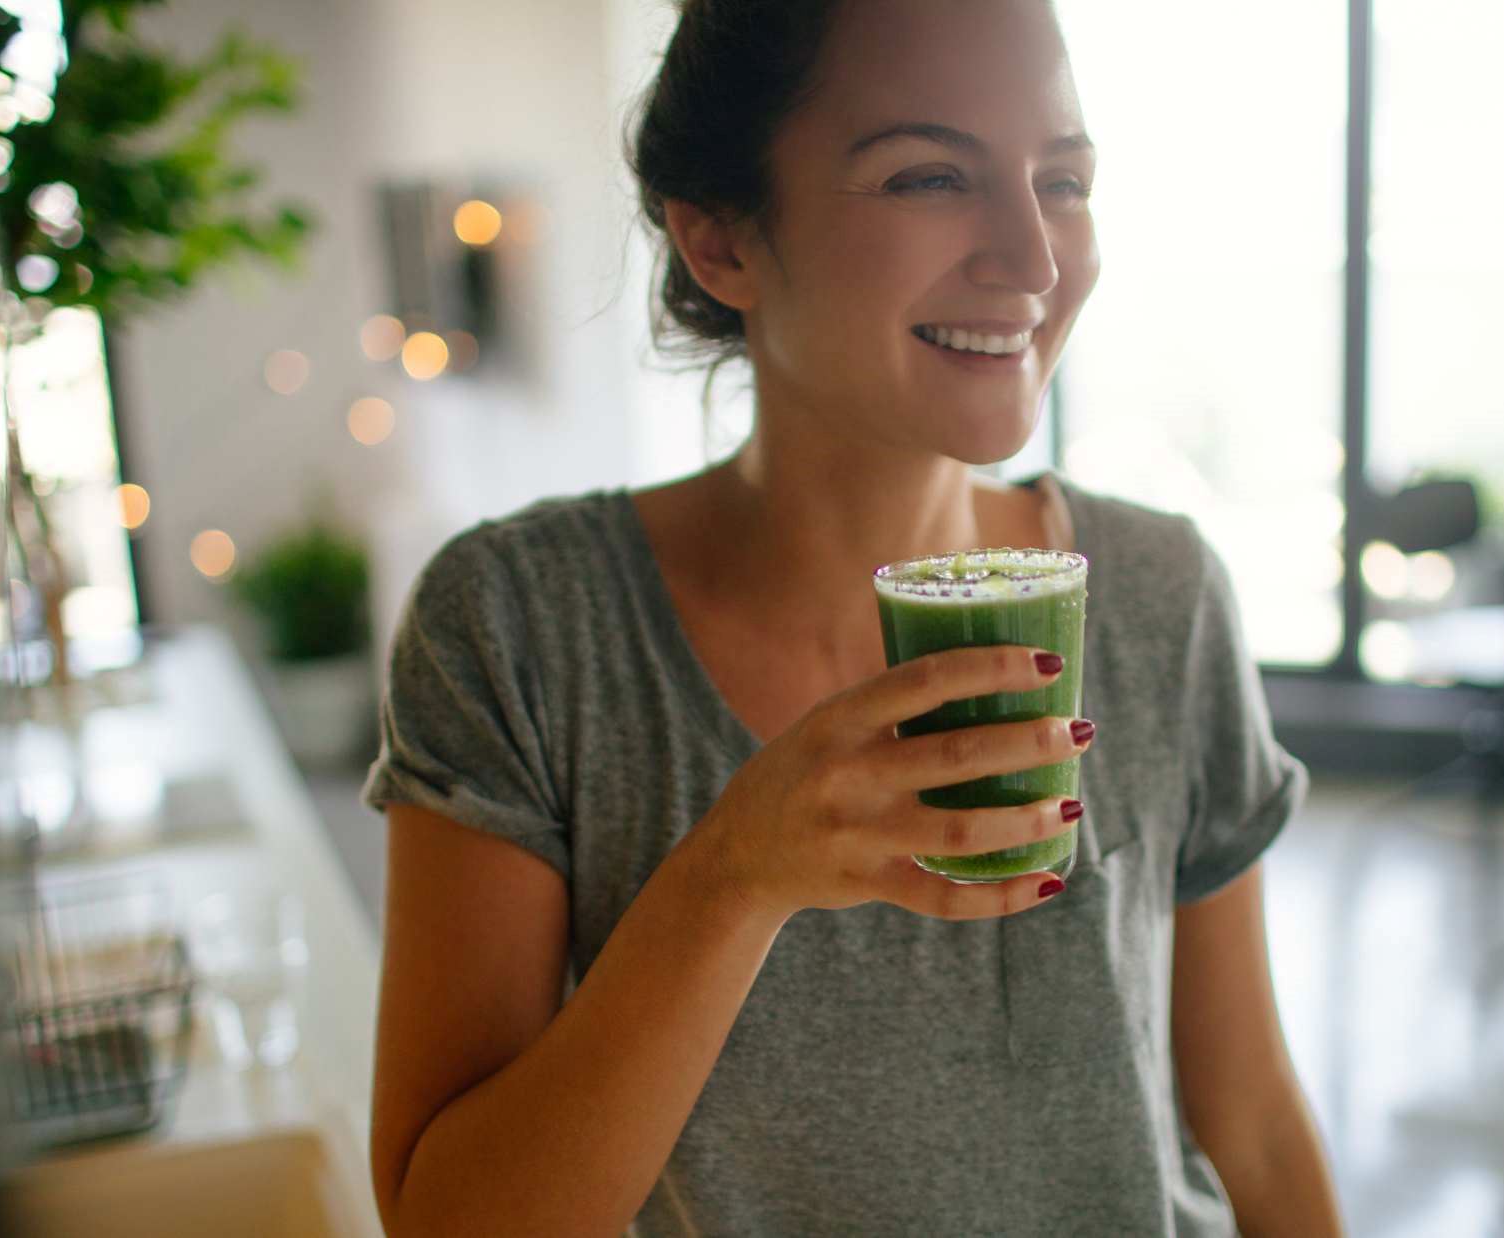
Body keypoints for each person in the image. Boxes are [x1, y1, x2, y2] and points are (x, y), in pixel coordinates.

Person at [361, 0, 1343, 1233]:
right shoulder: (520, 626)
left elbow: (1246, 1114)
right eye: (929, 174)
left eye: (1063, 179)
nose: (1033, 259)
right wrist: (731, 875)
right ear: (719, 240)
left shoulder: (1156, 591)